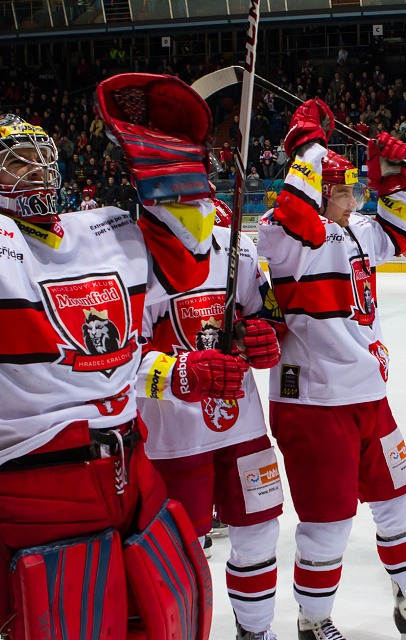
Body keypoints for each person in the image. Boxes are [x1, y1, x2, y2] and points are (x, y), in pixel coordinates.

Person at [0, 75, 246, 640]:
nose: (33, 173)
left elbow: (187, 256)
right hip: (37, 483)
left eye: (39, 159)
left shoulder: (103, 229)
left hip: (132, 470)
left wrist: (169, 166)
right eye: (15, 164)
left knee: (166, 612)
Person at [258, 100, 406, 640]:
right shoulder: (282, 235)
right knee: (328, 522)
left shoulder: (354, 231)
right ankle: (313, 621)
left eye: (356, 189)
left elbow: (400, 232)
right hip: (315, 403)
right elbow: (296, 217)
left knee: (399, 497)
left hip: (368, 397)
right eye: (346, 190)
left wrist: (392, 174)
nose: (355, 199)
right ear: (319, 192)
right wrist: (308, 146)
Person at [138, 198, 284, 640]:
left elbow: (266, 315)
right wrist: (176, 373)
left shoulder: (238, 246)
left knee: (260, 531)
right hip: (174, 437)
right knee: (179, 549)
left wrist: (263, 336)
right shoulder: (135, 253)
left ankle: (256, 630)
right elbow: (116, 358)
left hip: (244, 424)